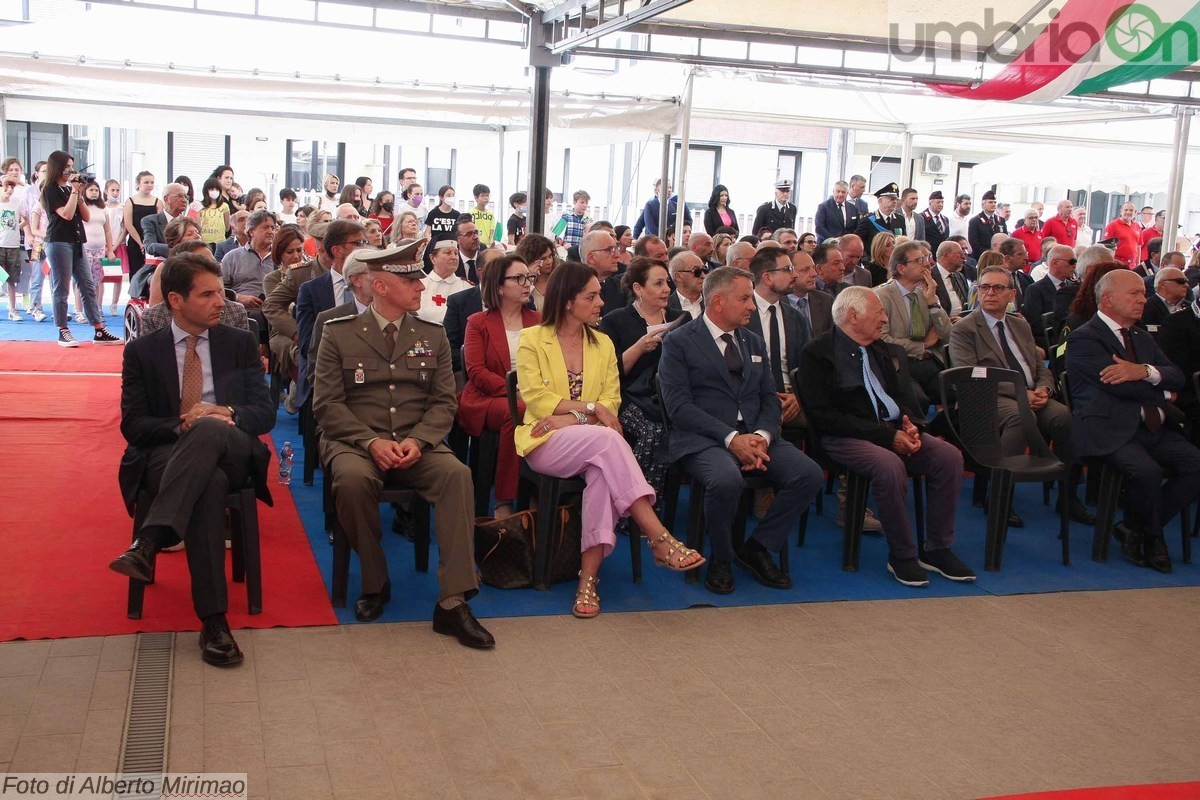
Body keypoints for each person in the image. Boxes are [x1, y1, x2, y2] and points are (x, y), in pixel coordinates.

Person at [313, 240, 495, 647]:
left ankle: (453, 601)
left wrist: (419, 440)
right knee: (354, 482)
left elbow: (444, 401)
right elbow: (327, 405)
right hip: (355, 440)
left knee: (456, 476)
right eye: (409, 278)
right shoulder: (338, 334)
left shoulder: (431, 333)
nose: (419, 286)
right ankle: (375, 582)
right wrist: (369, 440)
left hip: (418, 440)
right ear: (380, 286)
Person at [108, 253, 275, 666]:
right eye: (208, 294)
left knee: (211, 427)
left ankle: (150, 541)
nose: (222, 301)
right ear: (176, 301)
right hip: (169, 451)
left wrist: (222, 414)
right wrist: (182, 425)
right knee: (209, 485)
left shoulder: (238, 343)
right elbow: (134, 425)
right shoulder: (144, 352)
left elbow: (264, 412)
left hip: (234, 445)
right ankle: (214, 622)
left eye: (221, 292)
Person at [515, 261, 704, 616]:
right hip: (543, 442)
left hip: (589, 440)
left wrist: (570, 416)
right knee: (610, 442)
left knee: (602, 473)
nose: (601, 302)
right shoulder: (532, 339)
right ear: (568, 301)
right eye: (591, 296)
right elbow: (537, 399)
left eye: (599, 294)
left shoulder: (602, 343)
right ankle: (658, 536)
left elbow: (612, 402)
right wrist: (588, 410)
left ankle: (588, 581)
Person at [657, 265, 822, 594]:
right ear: (718, 302)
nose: (752, 305)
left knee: (809, 474)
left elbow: (769, 398)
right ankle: (721, 557)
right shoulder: (679, 342)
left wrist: (761, 436)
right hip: (703, 440)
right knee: (726, 479)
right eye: (745, 298)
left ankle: (758, 547)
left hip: (756, 437)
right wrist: (732, 439)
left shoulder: (753, 341)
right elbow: (679, 407)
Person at [800, 286, 973, 586]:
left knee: (949, 457)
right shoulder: (818, 353)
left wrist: (909, 425)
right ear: (853, 316)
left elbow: (903, 396)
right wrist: (886, 437)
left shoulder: (883, 349)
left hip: (891, 430)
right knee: (889, 465)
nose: (885, 319)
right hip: (843, 437)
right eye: (879, 312)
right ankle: (902, 555)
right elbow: (824, 417)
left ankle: (937, 548)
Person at [1065, 270, 1200, 573]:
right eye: (1135, 293)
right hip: (1108, 428)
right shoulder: (1084, 337)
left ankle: (1134, 527)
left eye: (1143, 293)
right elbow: (1117, 384)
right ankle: (1153, 538)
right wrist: (1159, 387)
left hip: (1152, 425)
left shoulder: (1140, 336)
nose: (1143, 299)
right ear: (1109, 299)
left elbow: (1177, 376)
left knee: (1195, 466)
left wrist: (1146, 372)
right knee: (1147, 472)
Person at [950, 265, 1092, 526]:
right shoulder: (965, 329)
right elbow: (969, 376)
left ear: (1011, 295)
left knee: (1065, 417)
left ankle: (1069, 497)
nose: (990, 293)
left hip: (1032, 394)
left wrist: (1043, 389)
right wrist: (1021, 393)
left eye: (998, 288)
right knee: (1019, 417)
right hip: (988, 397)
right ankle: (1000, 497)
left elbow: (1040, 368)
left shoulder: (1020, 325)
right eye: (984, 287)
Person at [597, 256, 688, 526]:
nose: (666, 289)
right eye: (658, 283)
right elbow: (609, 374)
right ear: (638, 288)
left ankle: (648, 505)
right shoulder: (616, 321)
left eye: (667, 283)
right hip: (626, 396)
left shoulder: (680, 318)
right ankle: (631, 506)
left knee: (669, 427)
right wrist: (639, 347)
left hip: (669, 397)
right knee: (654, 431)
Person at [457, 255, 540, 518]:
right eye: (519, 278)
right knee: (515, 411)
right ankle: (504, 499)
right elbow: (476, 372)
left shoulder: (539, 321)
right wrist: (515, 390)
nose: (527, 283)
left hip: (532, 395)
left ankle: (539, 489)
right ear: (499, 287)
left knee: (542, 410)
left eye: (529, 277)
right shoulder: (477, 323)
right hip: (486, 397)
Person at [39, 151, 120, 347]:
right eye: (67, 166)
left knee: (88, 285)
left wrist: (78, 193)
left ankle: (99, 329)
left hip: (76, 241)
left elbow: (85, 216)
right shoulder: (50, 190)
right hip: (58, 242)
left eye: (72, 166)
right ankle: (63, 330)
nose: (70, 170)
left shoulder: (69, 189)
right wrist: (75, 191)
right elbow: (66, 215)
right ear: (57, 167)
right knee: (61, 287)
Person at [873, 239, 949, 408]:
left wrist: (934, 304)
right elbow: (881, 338)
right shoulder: (880, 296)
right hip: (899, 365)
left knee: (957, 394)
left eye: (926, 258)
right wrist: (923, 345)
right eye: (919, 261)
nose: (927, 264)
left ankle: (944, 432)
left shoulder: (926, 293)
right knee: (918, 400)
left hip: (929, 362)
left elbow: (947, 335)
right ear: (901, 268)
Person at [743, 247, 808, 431]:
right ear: (767, 277)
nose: (794, 275)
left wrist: (797, 396)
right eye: (788, 269)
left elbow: (807, 366)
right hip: (754, 401)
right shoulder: (742, 315)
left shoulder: (796, 318)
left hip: (792, 401)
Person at [1021, 244, 1080, 350]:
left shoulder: (1074, 288)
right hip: (1049, 343)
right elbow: (1035, 325)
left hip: (1073, 340)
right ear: (1055, 263)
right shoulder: (1035, 290)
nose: (1074, 266)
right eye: (1071, 262)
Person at [219, 209, 277, 311]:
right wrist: (238, 298)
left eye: (273, 228)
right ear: (251, 231)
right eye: (265, 227)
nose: (270, 231)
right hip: (241, 310)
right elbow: (220, 289)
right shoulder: (232, 257)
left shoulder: (280, 257)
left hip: (274, 310)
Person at [123, 171, 162, 287]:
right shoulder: (130, 201)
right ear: (138, 183)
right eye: (146, 182)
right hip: (135, 242)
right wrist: (140, 243)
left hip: (153, 242)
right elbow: (128, 224)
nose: (149, 185)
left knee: (152, 273)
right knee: (135, 272)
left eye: (152, 182)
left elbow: (160, 224)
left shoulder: (157, 202)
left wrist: (150, 243)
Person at [419, 239, 471, 324]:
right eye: (448, 253)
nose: (454, 257)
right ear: (432, 258)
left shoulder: (467, 287)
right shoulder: (420, 285)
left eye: (456, 253)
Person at [787, 250, 832, 338]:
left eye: (813, 268)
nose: (814, 274)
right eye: (805, 270)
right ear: (790, 273)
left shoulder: (825, 300)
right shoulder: (777, 302)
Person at [143, 183, 190, 258]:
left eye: (185, 197)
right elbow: (150, 246)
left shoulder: (188, 223)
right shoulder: (150, 221)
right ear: (166, 199)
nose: (184, 200)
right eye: (179, 196)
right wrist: (176, 251)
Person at [856, 183, 905, 254]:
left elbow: (902, 242)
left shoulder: (900, 219)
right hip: (874, 262)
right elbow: (859, 242)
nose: (894, 201)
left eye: (896, 199)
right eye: (891, 199)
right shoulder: (868, 220)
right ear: (880, 201)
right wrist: (866, 260)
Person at [1, 177, 23, 320]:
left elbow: (20, 221)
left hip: (13, 245)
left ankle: (13, 309)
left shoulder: (17, 203)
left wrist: (19, 227)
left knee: (11, 278)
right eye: (6, 186)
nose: (9, 190)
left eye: (12, 187)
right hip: (0, 244)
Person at [516, 233, 557, 312]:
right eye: (543, 258)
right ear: (531, 259)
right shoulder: (519, 281)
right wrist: (528, 278)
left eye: (550, 256)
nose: (549, 261)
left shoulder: (557, 278)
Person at [932, 240, 970, 319]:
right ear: (946, 255)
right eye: (960, 254)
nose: (963, 257)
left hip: (965, 322)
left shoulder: (960, 276)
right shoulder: (930, 277)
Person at [968, 190, 1007, 262]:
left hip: (999, 258)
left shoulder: (1001, 220)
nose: (993, 204)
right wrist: (990, 255)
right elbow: (974, 243)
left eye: (995, 202)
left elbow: (1005, 239)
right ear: (983, 205)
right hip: (982, 258)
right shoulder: (975, 221)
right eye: (990, 202)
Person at [667, 250, 706, 319]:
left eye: (704, 270)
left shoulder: (712, 302)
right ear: (678, 277)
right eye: (697, 271)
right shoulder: (665, 306)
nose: (703, 275)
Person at [1103, 202, 1141, 268]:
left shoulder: (1137, 226)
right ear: (1121, 212)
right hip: (1117, 264)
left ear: (1135, 213)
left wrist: (1138, 264)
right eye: (1126, 210)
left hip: (1132, 265)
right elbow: (1107, 246)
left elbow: (1138, 246)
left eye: (1131, 210)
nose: (1128, 212)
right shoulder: (1112, 225)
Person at [197, 177, 230, 252]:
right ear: (206, 191)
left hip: (220, 242)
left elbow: (227, 227)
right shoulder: (200, 206)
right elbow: (197, 226)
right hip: (205, 242)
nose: (214, 192)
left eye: (217, 189)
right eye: (211, 189)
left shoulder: (224, 206)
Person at [424, 185, 459, 250]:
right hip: (436, 246)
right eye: (448, 195)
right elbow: (427, 232)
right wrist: (431, 244)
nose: (451, 197)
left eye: (453, 195)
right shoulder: (433, 213)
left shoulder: (457, 215)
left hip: (451, 246)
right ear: (441, 197)